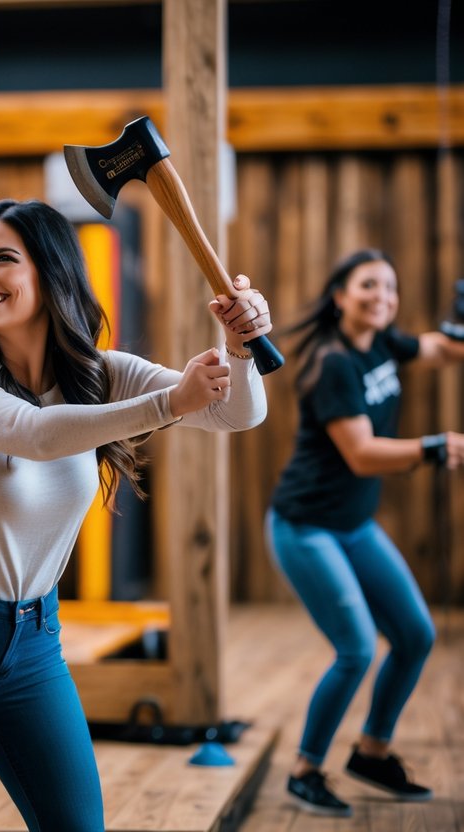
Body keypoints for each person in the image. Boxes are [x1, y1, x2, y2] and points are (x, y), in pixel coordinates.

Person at [0, 198, 270, 832]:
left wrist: (240, 348)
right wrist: (170, 401)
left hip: (32, 646)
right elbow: (39, 433)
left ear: (52, 274)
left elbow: (235, 414)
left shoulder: (100, 375)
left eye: (3, 259)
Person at [266, 248, 463, 817]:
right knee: (354, 649)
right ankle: (306, 770)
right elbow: (362, 455)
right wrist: (435, 446)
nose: (382, 296)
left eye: (390, 288)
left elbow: (441, 348)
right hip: (305, 528)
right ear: (340, 298)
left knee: (415, 635)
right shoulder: (333, 364)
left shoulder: (381, 343)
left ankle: (373, 751)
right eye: (368, 286)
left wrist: (459, 327)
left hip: (353, 526)